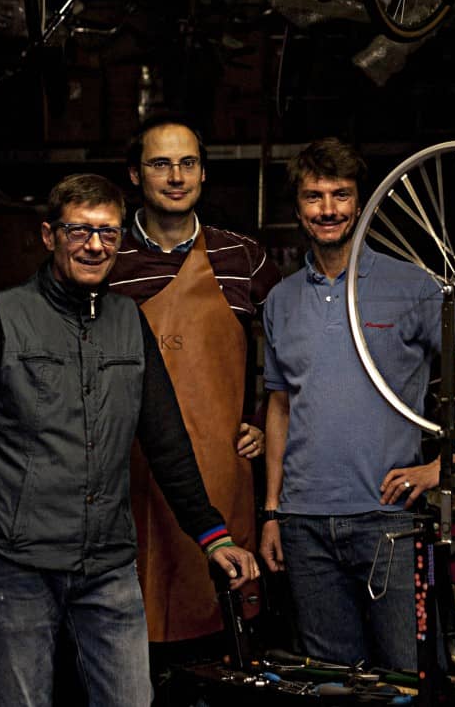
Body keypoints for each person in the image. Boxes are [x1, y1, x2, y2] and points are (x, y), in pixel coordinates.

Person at [0, 173, 258, 707]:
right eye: (79, 231)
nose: (95, 246)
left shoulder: (128, 321)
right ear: (49, 236)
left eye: (109, 233)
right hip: (16, 563)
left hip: (107, 563)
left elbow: (166, 442)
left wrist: (213, 535)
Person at [258, 137, 455, 671]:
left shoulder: (411, 285)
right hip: (303, 524)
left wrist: (445, 463)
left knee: (410, 677)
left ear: (360, 203)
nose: (328, 209)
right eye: (314, 196)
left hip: (388, 521)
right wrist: (272, 511)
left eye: (341, 194)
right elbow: (280, 408)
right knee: (333, 682)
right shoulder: (281, 300)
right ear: (298, 209)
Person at [108, 114, 281, 654]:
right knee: (124, 634)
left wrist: (262, 419)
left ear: (203, 173)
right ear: (135, 174)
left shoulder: (244, 258)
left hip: (219, 472)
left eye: (188, 163)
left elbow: (295, 352)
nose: (176, 177)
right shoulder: (105, 258)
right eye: (161, 164)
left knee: (219, 634)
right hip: (125, 474)